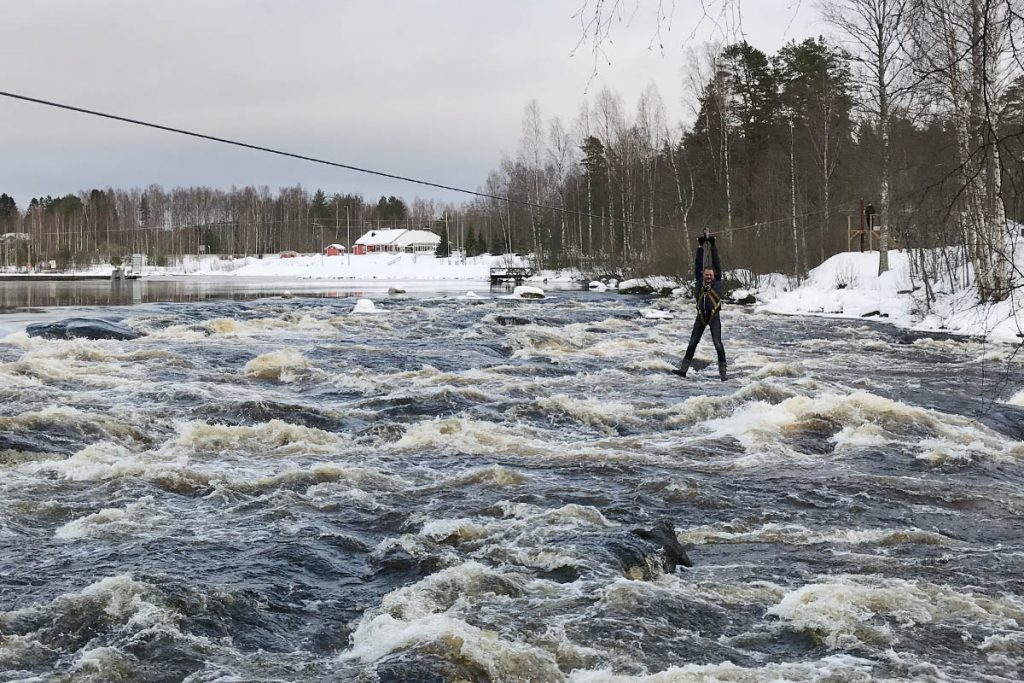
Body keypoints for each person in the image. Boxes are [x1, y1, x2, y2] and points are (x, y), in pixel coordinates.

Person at [675, 234, 727, 381]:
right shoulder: (699, 280)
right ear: (703, 275)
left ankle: (723, 374)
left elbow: (716, 262)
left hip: (713, 316)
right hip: (700, 317)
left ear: (714, 275)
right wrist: (700, 246)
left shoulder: (717, 280)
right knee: (692, 343)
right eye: (707, 275)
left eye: (710, 275)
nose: (709, 277)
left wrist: (712, 245)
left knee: (718, 344)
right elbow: (698, 264)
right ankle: (683, 370)